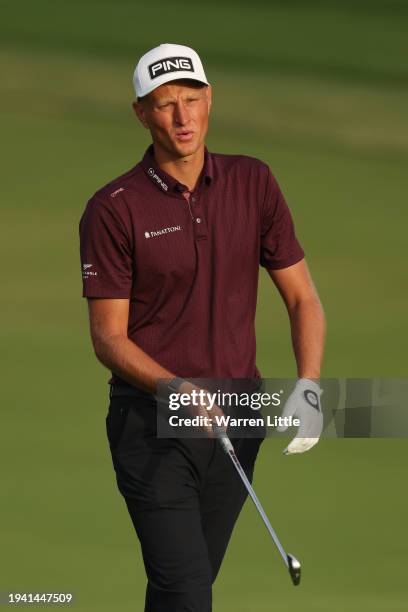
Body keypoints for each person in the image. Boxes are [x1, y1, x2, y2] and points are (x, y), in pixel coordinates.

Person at [79, 43, 326, 612]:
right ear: (142, 112)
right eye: (166, 104)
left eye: (192, 99)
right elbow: (107, 338)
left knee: (181, 591)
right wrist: (175, 389)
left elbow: (302, 298)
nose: (183, 117)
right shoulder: (114, 208)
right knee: (188, 594)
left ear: (210, 99)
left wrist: (309, 383)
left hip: (240, 419)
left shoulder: (254, 182)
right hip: (154, 424)